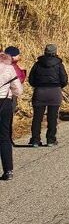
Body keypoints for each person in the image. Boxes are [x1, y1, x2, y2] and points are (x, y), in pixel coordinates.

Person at [28, 44, 68, 146]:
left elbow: (31, 79)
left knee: (37, 117)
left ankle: (35, 140)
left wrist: (37, 86)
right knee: (52, 117)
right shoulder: (59, 64)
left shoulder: (37, 64)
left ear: (45, 51)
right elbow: (64, 80)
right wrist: (58, 86)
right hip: (54, 92)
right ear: (55, 52)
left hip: (40, 91)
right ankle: (51, 139)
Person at [0, 52, 24, 180]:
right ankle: (8, 170)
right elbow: (18, 91)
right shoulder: (9, 68)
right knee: (4, 137)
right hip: (4, 103)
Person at [4, 46, 26, 113]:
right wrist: (23, 71)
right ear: (13, 57)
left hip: (3, 93)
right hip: (10, 95)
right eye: (18, 55)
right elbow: (19, 80)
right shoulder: (13, 67)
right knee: (7, 117)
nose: (19, 57)